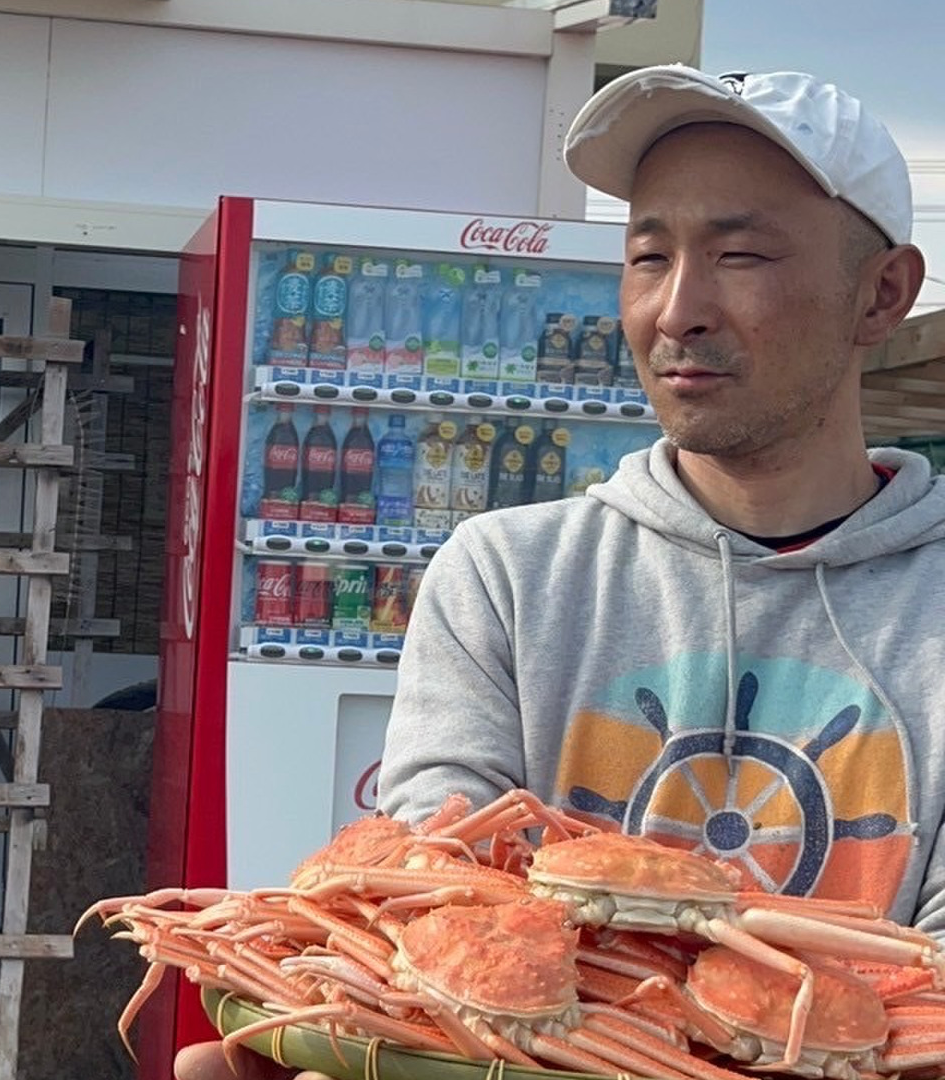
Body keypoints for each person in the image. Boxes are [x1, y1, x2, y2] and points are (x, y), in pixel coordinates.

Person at [176, 64, 941, 1080]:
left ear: (882, 293)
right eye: (648, 256)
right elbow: (435, 893)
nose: (677, 309)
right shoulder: (503, 576)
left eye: (740, 254)